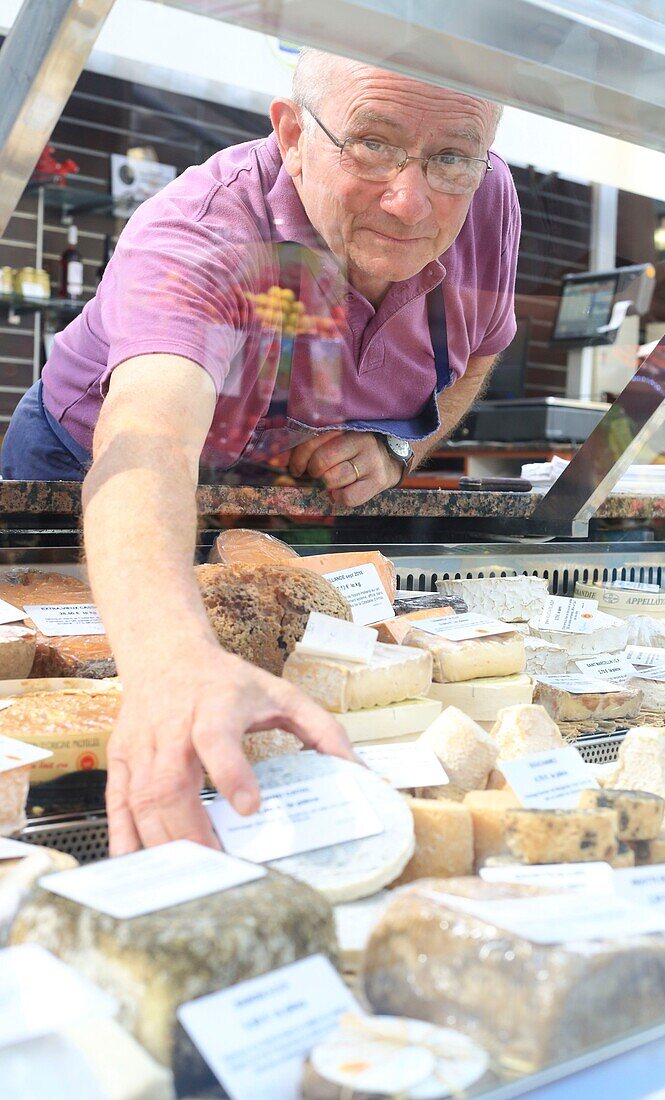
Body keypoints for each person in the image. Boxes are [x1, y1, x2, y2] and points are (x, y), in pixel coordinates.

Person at [1, 49, 520, 854]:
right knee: (76, 687)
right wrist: (171, 661)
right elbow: (150, 438)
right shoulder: (203, 230)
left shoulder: (483, 198)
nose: (410, 199)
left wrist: (398, 442)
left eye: (450, 156)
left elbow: (483, 346)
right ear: (289, 134)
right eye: (372, 144)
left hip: (267, 479)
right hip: (89, 475)